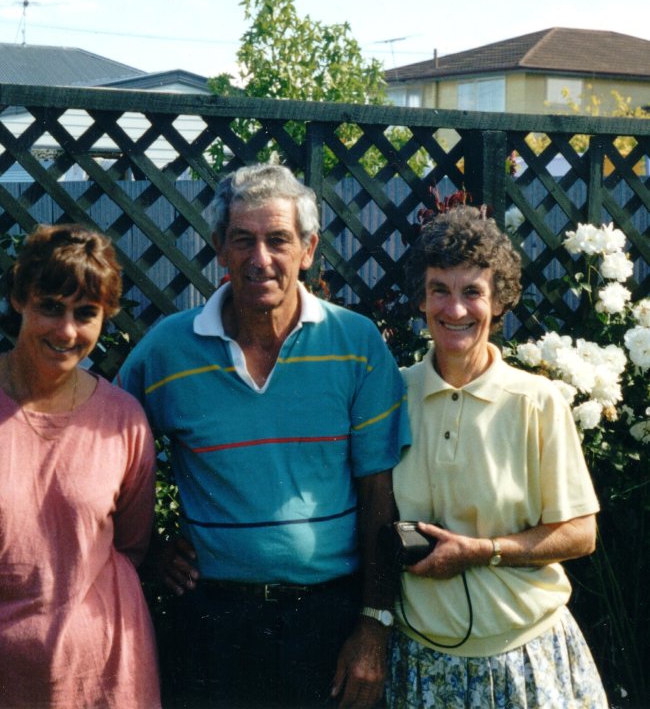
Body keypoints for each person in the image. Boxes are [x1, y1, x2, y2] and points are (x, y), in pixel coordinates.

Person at [117, 163, 411, 708]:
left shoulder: (356, 344)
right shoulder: (167, 350)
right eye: (242, 240)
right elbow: (106, 452)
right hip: (210, 622)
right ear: (219, 249)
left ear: (308, 248)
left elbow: (379, 495)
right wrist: (151, 550)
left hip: (328, 621)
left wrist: (374, 626)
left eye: (278, 240)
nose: (260, 259)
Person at [386, 205, 608, 708]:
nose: (455, 310)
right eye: (439, 289)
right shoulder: (391, 395)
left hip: (526, 659)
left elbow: (580, 533)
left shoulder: (538, 401)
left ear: (500, 301)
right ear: (421, 299)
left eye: (473, 293)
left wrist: (483, 550)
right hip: (422, 662)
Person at [0, 224, 160, 708]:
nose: (67, 331)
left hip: (103, 674)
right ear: (19, 299)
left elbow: (132, 545)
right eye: (51, 306)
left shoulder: (122, 420)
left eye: (86, 314)